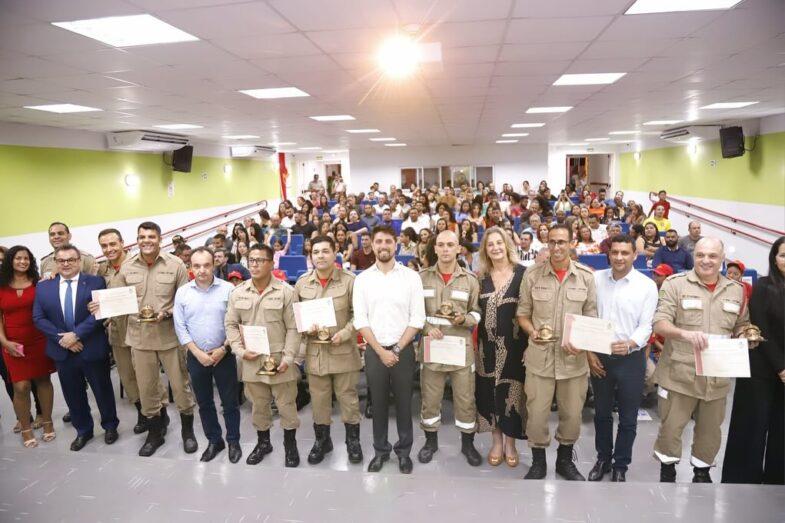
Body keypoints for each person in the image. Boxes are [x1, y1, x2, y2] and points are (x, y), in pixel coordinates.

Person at [652, 237, 754, 483]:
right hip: (680, 374)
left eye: (712, 256)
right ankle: (668, 470)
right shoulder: (675, 285)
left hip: (717, 375)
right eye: (700, 255)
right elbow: (659, 323)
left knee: (710, 432)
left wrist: (745, 335)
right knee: (671, 428)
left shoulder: (736, 290)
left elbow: (741, 324)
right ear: (693, 256)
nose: (706, 261)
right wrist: (683, 333)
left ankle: (701, 471)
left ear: (721, 260)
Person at [517, 223, 598, 481]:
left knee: (572, 415)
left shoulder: (586, 277)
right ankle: (538, 462)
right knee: (537, 414)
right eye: (552, 242)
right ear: (546, 243)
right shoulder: (533, 275)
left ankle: (565, 461)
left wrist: (583, 343)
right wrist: (532, 332)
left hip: (573, 361)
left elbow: (591, 318)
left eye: (562, 241)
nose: (557, 247)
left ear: (571, 243)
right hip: (540, 359)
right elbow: (522, 314)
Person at [118, 221, 197, 457]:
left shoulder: (175, 265)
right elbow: (119, 298)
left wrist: (169, 312)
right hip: (139, 339)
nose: (146, 241)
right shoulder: (127, 266)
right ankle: (155, 434)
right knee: (147, 388)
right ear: (137, 239)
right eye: (142, 237)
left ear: (160, 239)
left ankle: (187, 432)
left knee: (180, 386)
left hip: (168, 337)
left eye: (151, 236)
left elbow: (186, 300)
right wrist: (101, 305)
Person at [586, 235, 658, 482]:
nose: (618, 257)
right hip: (600, 356)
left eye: (624, 253)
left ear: (634, 255)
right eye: (614, 252)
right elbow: (587, 316)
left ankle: (620, 465)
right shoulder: (595, 280)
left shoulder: (646, 285)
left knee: (628, 417)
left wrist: (629, 344)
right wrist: (590, 353)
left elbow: (647, 325)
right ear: (609, 254)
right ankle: (603, 458)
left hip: (631, 358)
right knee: (602, 414)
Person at [353, 225, 425, 474]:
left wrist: (395, 349)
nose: (383, 246)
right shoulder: (362, 280)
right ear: (372, 245)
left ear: (396, 244)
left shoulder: (411, 278)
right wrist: (381, 351)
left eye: (388, 241)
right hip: (374, 351)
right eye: (378, 242)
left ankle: (404, 452)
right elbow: (360, 320)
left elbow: (417, 318)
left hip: (403, 350)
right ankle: (380, 451)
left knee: (405, 403)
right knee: (379, 405)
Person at [32, 244, 118, 451]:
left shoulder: (95, 282)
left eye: (71, 259)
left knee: (102, 389)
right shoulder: (44, 287)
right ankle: (83, 430)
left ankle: (110, 426)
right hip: (63, 350)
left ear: (79, 261)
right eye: (61, 260)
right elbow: (38, 318)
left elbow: (100, 313)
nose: (66, 264)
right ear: (55, 262)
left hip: (92, 347)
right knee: (73, 393)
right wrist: (64, 339)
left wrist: (76, 335)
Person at [225, 244, 302, 467]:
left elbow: (294, 328)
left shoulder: (287, 292)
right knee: (258, 406)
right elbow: (230, 324)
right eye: (251, 260)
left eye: (260, 260)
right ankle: (263, 443)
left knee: (287, 405)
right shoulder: (237, 292)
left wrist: (288, 358)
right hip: (251, 359)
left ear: (271, 263)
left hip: (279, 360)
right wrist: (239, 351)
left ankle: (290, 445)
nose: (255, 264)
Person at [295, 236, 363, 465]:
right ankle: (322, 441)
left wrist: (344, 333)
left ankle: (353, 442)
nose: (320, 256)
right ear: (311, 255)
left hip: (343, 351)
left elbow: (360, 315)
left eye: (325, 251)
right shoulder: (303, 283)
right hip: (316, 354)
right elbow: (296, 319)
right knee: (319, 401)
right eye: (316, 252)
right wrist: (306, 329)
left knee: (348, 400)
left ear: (335, 253)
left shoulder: (350, 281)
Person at [416, 230, 482, 467]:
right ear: (434, 249)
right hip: (432, 348)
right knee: (430, 399)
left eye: (450, 245)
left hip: (459, 349)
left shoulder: (470, 280)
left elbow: (477, 312)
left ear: (458, 249)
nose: (445, 249)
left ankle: (468, 444)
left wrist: (464, 320)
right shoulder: (420, 278)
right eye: (441, 245)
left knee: (465, 399)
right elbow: (413, 313)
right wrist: (425, 328)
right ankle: (430, 442)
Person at [722, 237, 785, 485]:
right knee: (753, 428)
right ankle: (743, 480)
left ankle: (778, 479)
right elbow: (761, 329)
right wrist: (781, 367)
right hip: (761, 368)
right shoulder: (763, 286)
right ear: (774, 258)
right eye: (782, 255)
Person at [95, 228, 166, 435]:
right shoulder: (102, 270)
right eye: (104, 246)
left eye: (112, 244)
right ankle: (142, 413)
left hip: (141, 330)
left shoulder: (137, 264)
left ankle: (160, 413)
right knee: (127, 377)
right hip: (118, 331)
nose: (109, 249)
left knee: (148, 376)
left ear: (123, 243)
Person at [173, 248, 241, 463]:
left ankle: (233, 441)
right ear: (190, 268)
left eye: (206, 265)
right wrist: (196, 352)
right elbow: (180, 327)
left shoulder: (229, 289)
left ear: (214, 265)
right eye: (196, 266)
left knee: (230, 403)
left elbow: (238, 323)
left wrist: (224, 348)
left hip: (224, 355)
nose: (202, 270)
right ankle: (214, 440)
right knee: (204, 403)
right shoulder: (183, 293)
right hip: (196, 357)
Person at [475, 227, 527, 467]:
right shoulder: (480, 278)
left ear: (507, 245)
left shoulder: (524, 275)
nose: (495, 247)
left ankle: (511, 443)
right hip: (486, 350)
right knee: (489, 393)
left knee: (513, 395)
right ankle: (496, 441)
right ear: (485, 250)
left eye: (499, 243)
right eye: (490, 244)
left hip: (515, 348)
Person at [0, 246, 55, 447]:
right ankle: (25, 427)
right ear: (10, 261)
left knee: (43, 380)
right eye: (18, 258)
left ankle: (48, 422)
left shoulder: (39, 283)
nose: (22, 262)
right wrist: (5, 342)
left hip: (39, 340)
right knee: (20, 386)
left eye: (26, 258)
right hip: (12, 342)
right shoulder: (1, 285)